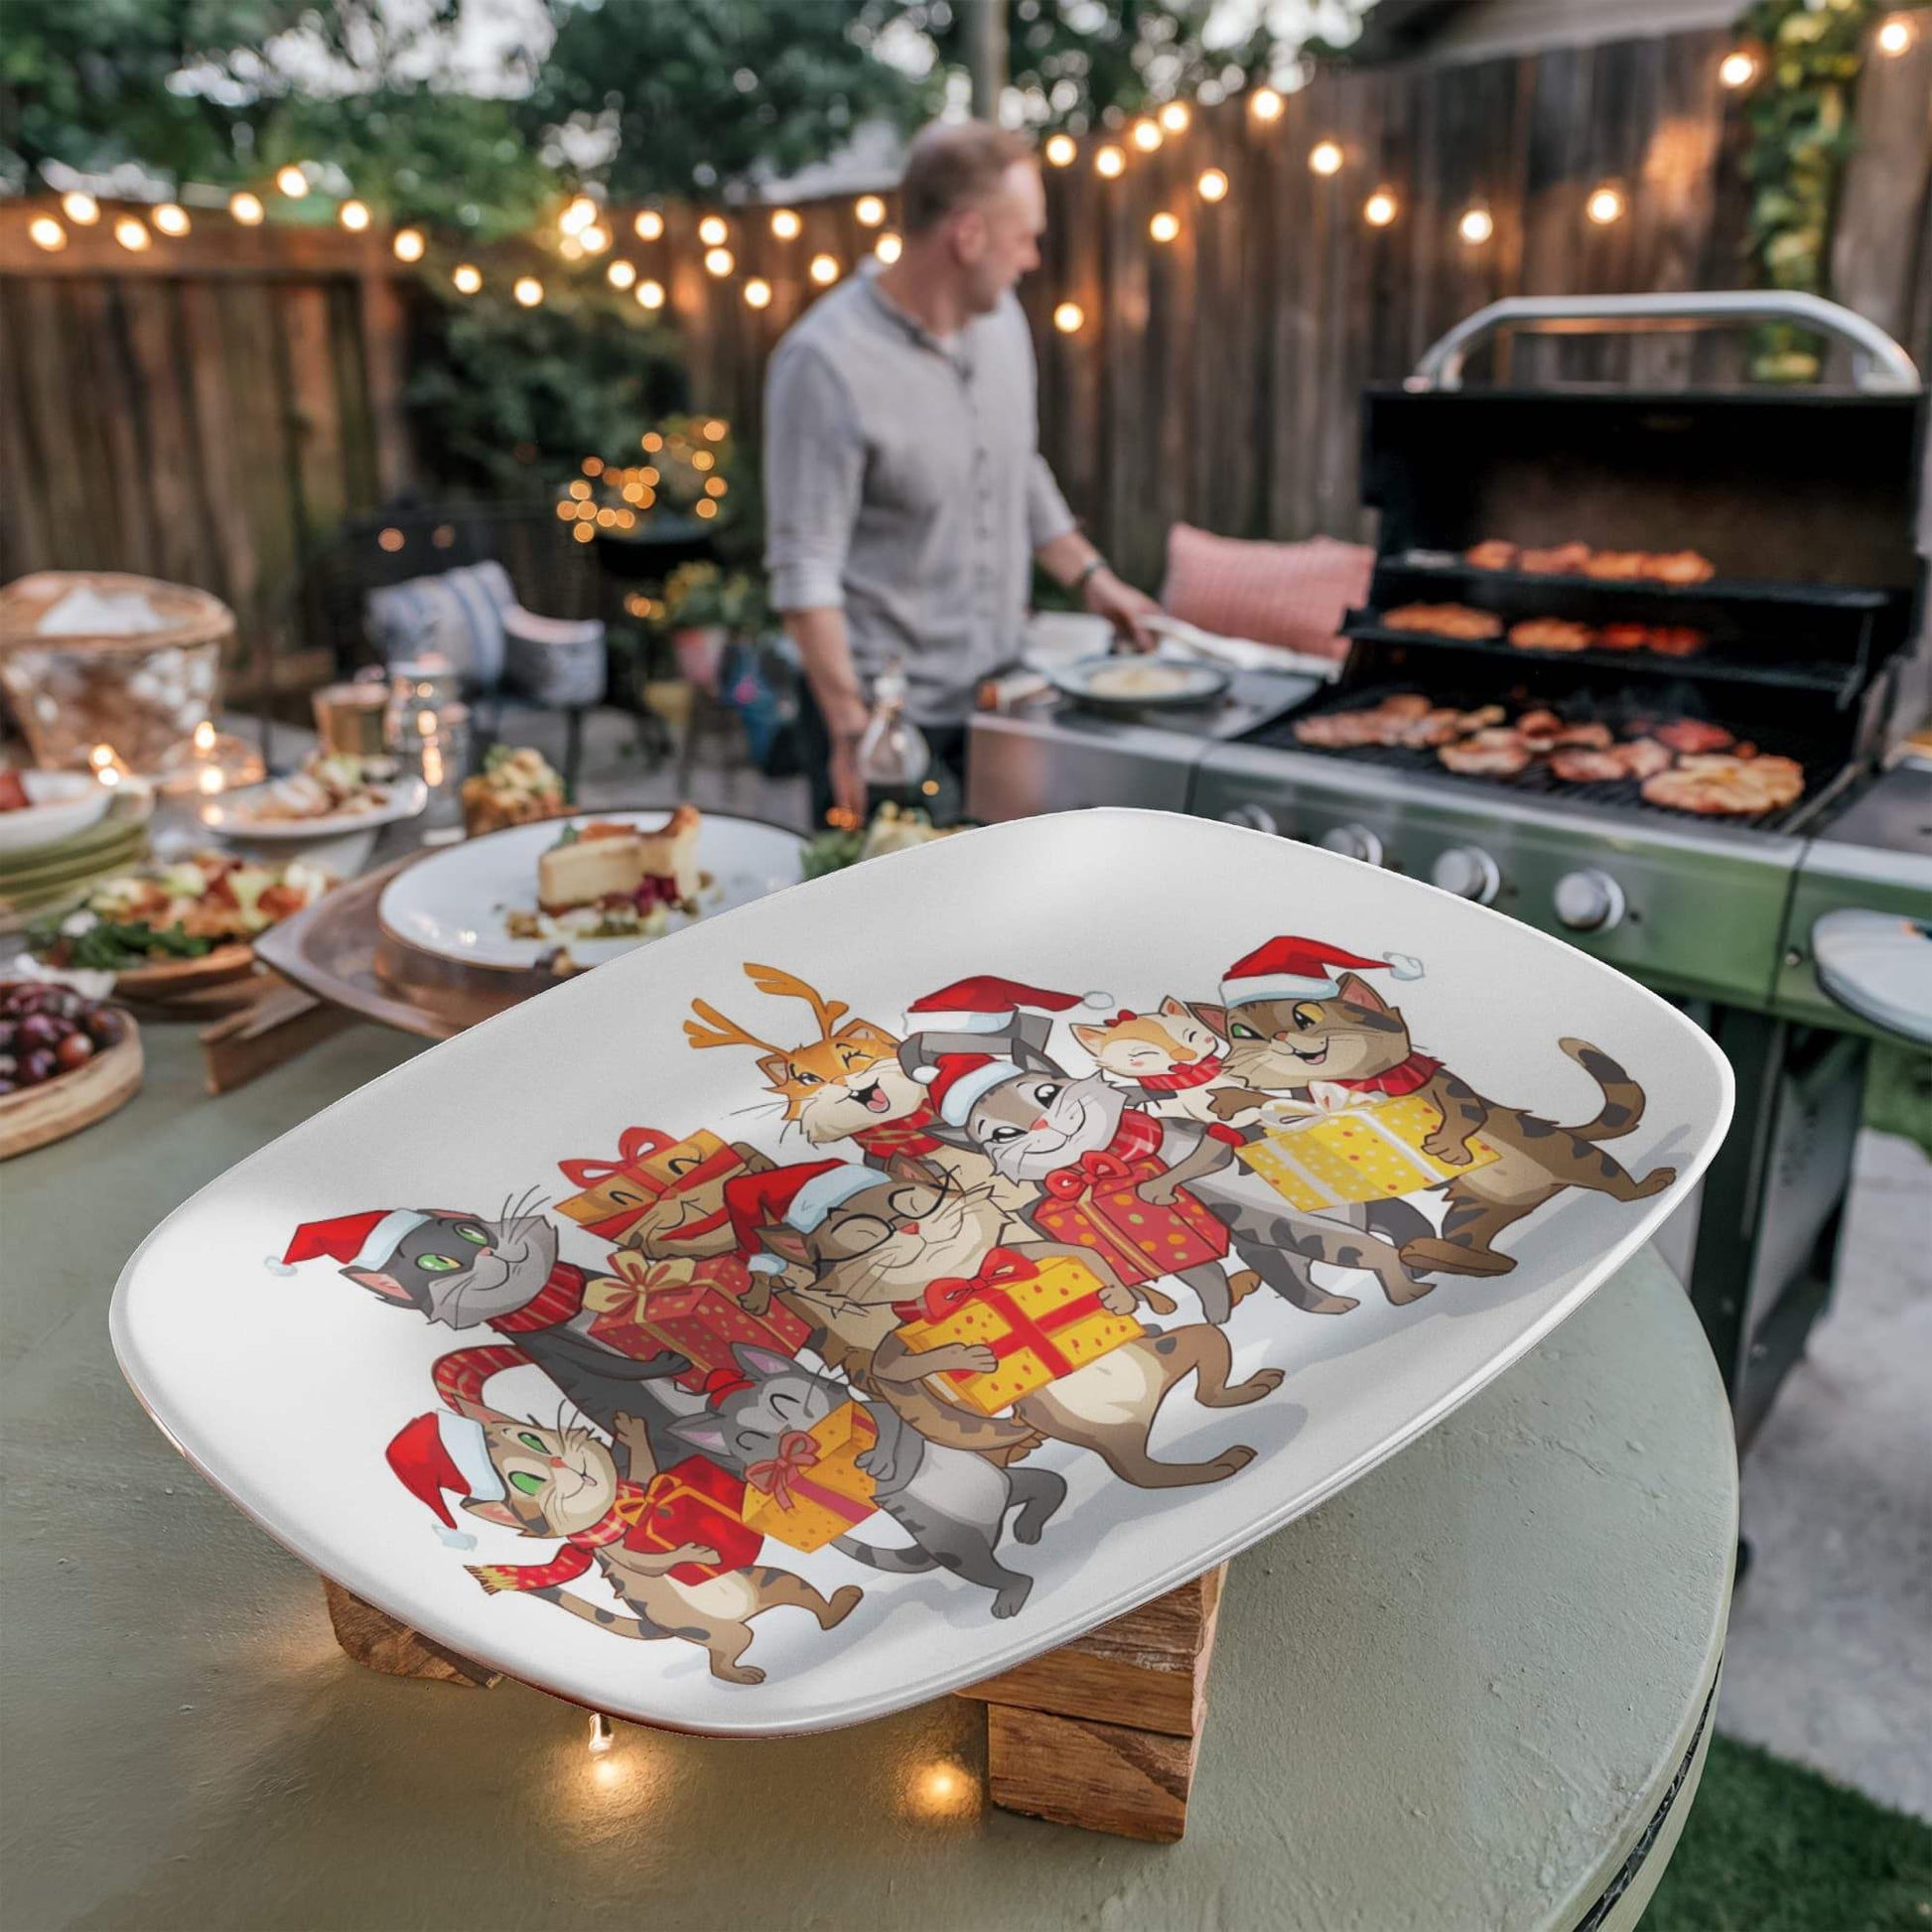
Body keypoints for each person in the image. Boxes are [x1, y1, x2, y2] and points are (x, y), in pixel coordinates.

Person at [763, 119, 1161, 827]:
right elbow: (805, 571)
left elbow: (1017, 465)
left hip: (997, 706)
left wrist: (1093, 578)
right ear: (968, 236)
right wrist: (853, 733)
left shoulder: (1004, 323)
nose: (1033, 258)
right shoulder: (824, 363)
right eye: (1024, 237)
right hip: (884, 726)